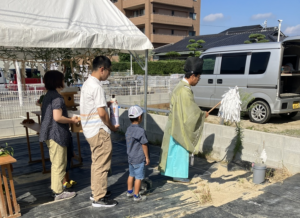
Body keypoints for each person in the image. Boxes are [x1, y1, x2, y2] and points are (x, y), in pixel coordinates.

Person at [158, 57, 209, 183]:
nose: (198, 80)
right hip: (180, 124)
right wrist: (202, 114)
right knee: (180, 148)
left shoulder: (179, 86)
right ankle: (178, 174)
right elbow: (190, 111)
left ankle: (172, 172)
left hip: (174, 122)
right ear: (193, 76)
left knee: (173, 149)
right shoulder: (185, 91)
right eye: (198, 77)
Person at [80, 56, 119, 208]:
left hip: (90, 130)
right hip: (99, 130)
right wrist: (111, 126)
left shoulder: (87, 83)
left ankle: (96, 191)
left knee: (96, 162)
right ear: (102, 69)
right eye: (109, 71)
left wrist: (106, 103)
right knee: (102, 164)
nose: (109, 74)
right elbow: (102, 114)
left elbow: (96, 107)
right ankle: (99, 198)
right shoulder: (97, 87)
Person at [39, 70, 78, 201]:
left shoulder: (48, 96)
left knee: (56, 163)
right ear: (57, 81)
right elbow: (57, 117)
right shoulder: (56, 97)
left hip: (49, 134)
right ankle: (58, 192)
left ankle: (56, 189)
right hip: (57, 135)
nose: (64, 82)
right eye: (62, 79)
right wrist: (72, 120)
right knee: (59, 164)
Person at [125, 105, 150, 201]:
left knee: (131, 174)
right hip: (139, 158)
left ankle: (129, 191)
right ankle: (136, 196)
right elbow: (144, 145)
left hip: (130, 157)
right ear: (140, 117)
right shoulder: (140, 131)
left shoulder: (128, 129)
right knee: (138, 177)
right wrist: (147, 157)